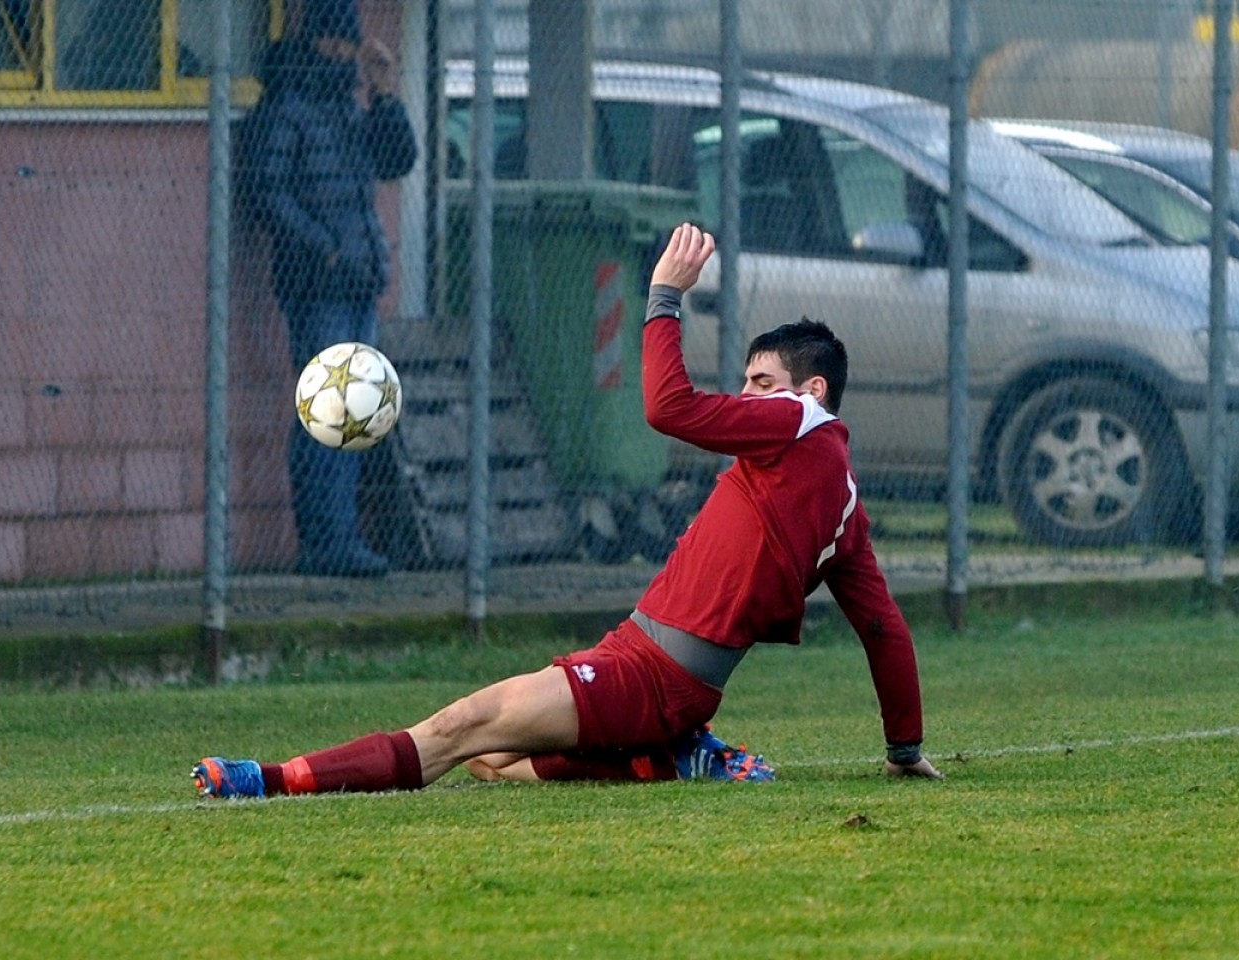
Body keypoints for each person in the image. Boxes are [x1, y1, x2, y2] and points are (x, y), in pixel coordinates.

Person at [192, 223, 943, 798]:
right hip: (642, 663)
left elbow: (667, 406)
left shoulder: (801, 425)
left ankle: (271, 779)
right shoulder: (844, 506)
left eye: (761, 381)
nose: (748, 396)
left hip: (652, 680)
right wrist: (903, 748)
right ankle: (668, 758)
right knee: (494, 760)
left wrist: (664, 296)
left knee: (458, 730)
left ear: (810, 393)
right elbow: (883, 627)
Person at [241, 0, 418, 577]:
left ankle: (340, 541)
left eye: (350, 45)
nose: (343, 55)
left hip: (357, 279)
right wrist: (325, 247)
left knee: (354, 411)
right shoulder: (288, 105)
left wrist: (385, 91)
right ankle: (327, 543)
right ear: (315, 41)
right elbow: (265, 192)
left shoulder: (348, 104)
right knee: (328, 412)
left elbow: (397, 159)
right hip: (315, 282)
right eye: (335, 44)